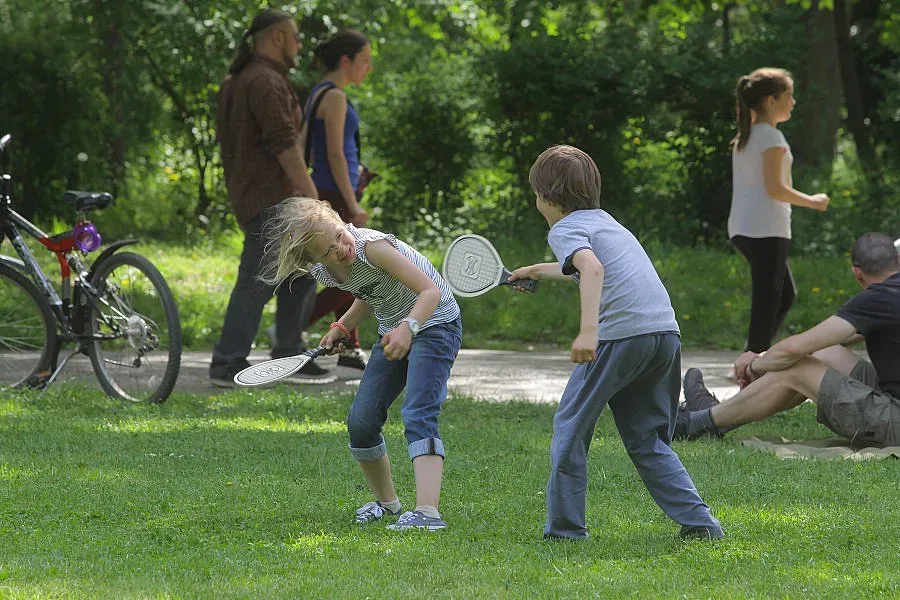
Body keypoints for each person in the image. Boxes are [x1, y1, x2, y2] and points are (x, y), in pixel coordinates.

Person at [508, 145, 723, 541]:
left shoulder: (564, 228)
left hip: (618, 337)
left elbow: (591, 267)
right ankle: (701, 524)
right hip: (662, 335)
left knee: (570, 430)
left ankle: (565, 531)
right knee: (648, 439)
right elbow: (585, 265)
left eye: (536, 195)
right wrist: (531, 271)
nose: (537, 203)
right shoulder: (607, 223)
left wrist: (589, 331)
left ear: (551, 198)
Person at [260, 197, 462, 531]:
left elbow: (429, 292)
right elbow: (369, 291)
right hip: (395, 331)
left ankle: (428, 513)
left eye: (339, 235)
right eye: (327, 250)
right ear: (310, 259)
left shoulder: (373, 247)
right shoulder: (325, 271)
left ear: (340, 221)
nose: (340, 248)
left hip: (435, 324)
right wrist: (343, 325)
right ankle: (388, 503)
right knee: (361, 421)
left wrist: (408, 329)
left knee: (418, 412)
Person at [676, 232, 900, 447]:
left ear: (857, 273)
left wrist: (753, 366)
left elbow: (794, 349)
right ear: (897, 261)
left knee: (797, 367)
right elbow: (826, 341)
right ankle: (716, 416)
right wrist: (770, 357)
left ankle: (691, 424)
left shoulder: (878, 298)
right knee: (824, 353)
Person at [208, 8, 330, 388]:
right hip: (272, 198)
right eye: (295, 37)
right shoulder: (264, 82)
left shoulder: (241, 79)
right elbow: (286, 149)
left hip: (258, 196)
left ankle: (289, 355)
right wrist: (315, 201)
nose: (299, 44)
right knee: (257, 282)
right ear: (277, 37)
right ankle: (228, 363)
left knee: (300, 274)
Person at [728, 67, 830, 353]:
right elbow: (775, 189)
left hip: (744, 228)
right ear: (771, 101)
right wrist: (814, 201)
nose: (793, 102)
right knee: (769, 300)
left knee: (783, 294)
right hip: (766, 230)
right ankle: (752, 368)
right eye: (789, 96)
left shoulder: (745, 138)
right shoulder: (771, 138)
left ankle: (754, 355)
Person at [298, 29, 374, 371]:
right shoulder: (335, 97)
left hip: (325, 190)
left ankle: (347, 346)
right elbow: (335, 155)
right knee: (352, 269)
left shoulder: (319, 93)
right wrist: (352, 204)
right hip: (333, 194)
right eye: (365, 61)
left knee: (345, 269)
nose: (368, 68)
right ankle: (294, 326)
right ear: (346, 61)